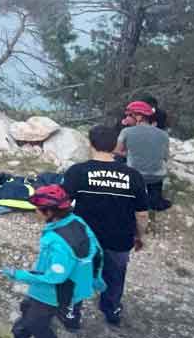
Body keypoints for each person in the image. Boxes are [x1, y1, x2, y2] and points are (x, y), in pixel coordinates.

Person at [63, 125, 149, 328]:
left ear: (90, 143)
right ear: (114, 147)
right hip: (119, 238)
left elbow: (62, 204)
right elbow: (142, 213)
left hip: (84, 238)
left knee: (77, 275)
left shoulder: (78, 172)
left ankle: (72, 315)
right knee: (115, 276)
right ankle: (112, 311)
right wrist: (140, 236)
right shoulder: (133, 175)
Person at [0, 185, 105, 338]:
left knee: (37, 325)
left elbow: (55, 278)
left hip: (53, 293)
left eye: (37, 209)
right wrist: (96, 278)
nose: (35, 212)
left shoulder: (56, 241)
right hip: (78, 284)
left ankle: (27, 329)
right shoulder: (77, 221)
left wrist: (18, 275)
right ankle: (24, 330)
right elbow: (97, 251)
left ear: (49, 212)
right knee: (29, 309)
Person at [116, 100, 171, 211]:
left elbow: (117, 151)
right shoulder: (164, 134)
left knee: (117, 159)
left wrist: (130, 153)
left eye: (129, 115)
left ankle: (126, 196)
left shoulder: (126, 131)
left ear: (139, 117)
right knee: (155, 178)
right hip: (157, 177)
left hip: (135, 176)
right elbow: (165, 157)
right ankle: (156, 201)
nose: (126, 118)